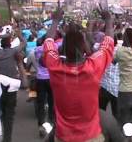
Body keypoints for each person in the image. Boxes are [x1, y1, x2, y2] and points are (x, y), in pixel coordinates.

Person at [43, 10, 114, 142]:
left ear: (63, 48)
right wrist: (109, 20)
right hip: (91, 136)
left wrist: (55, 21)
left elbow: (48, 42)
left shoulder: (54, 66)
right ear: (83, 48)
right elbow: (108, 43)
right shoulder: (94, 66)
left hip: (63, 137)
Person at [0, 27, 26, 142]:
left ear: (1, 44)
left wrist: (3, 36)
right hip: (11, 87)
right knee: (9, 116)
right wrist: (17, 35)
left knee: (0, 111)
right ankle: (7, 139)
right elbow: (24, 42)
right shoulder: (14, 51)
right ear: (10, 44)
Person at [35, 35, 54, 137]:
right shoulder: (53, 48)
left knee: (41, 103)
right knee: (52, 102)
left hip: (40, 78)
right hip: (51, 78)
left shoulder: (37, 49)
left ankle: (41, 125)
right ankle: (51, 123)